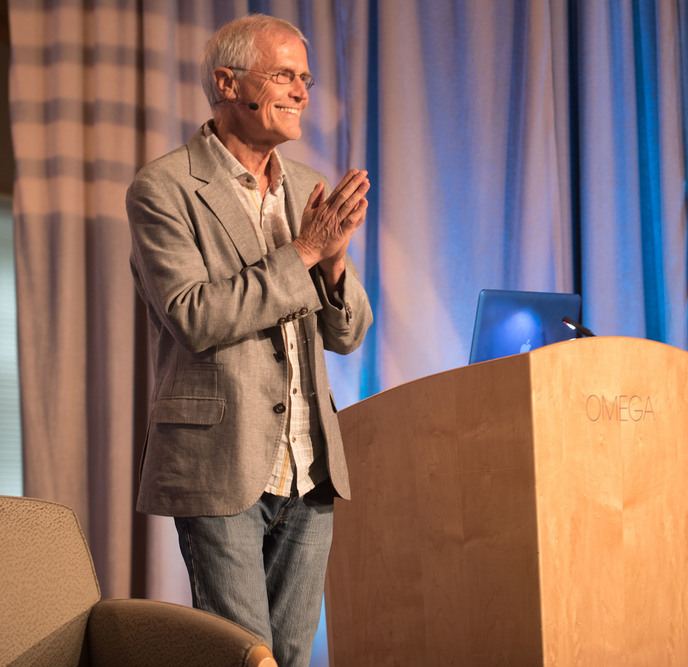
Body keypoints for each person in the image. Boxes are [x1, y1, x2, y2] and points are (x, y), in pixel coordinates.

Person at [126, 14, 372, 667]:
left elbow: (348, 334)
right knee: (243, 657)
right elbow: (195, 315)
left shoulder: (301, 187)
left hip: (308, 466)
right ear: (227, 83)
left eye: (307, 79)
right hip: (219, 463)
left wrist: (334, 265)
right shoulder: (165, 188)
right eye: (284, 75)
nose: (301, 92)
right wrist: (305, 252)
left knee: (291, 655)